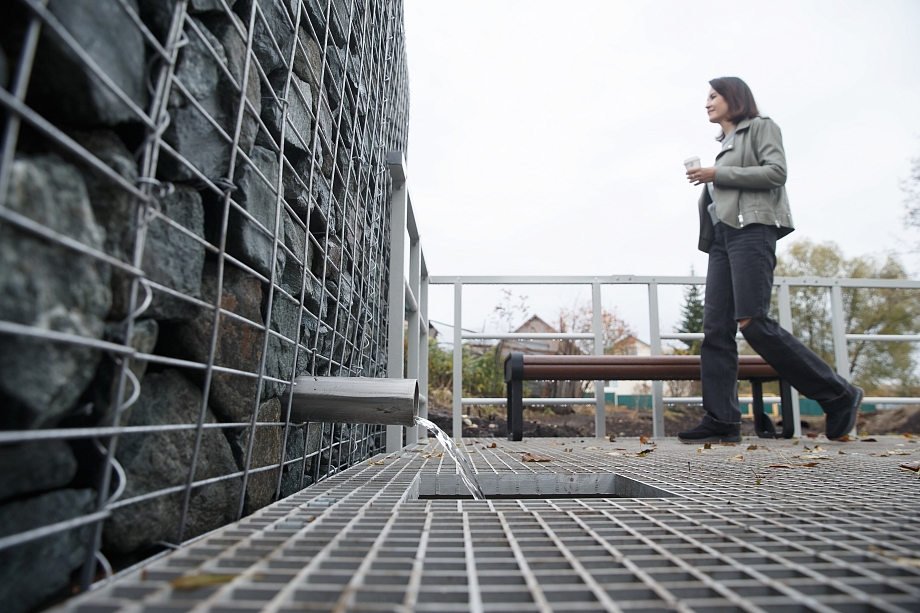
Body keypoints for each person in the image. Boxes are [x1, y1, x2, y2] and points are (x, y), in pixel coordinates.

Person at [680, 77, 862, 444]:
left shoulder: (761, 128)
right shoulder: (726, 144)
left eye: (714, 96)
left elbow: (776, 173)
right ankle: (722, 419)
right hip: (722, 237)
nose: (707, 103)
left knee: (753, 322)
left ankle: (839, 394)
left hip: (751, 230)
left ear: (734, 98)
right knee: (716, 330)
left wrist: (717, 174)